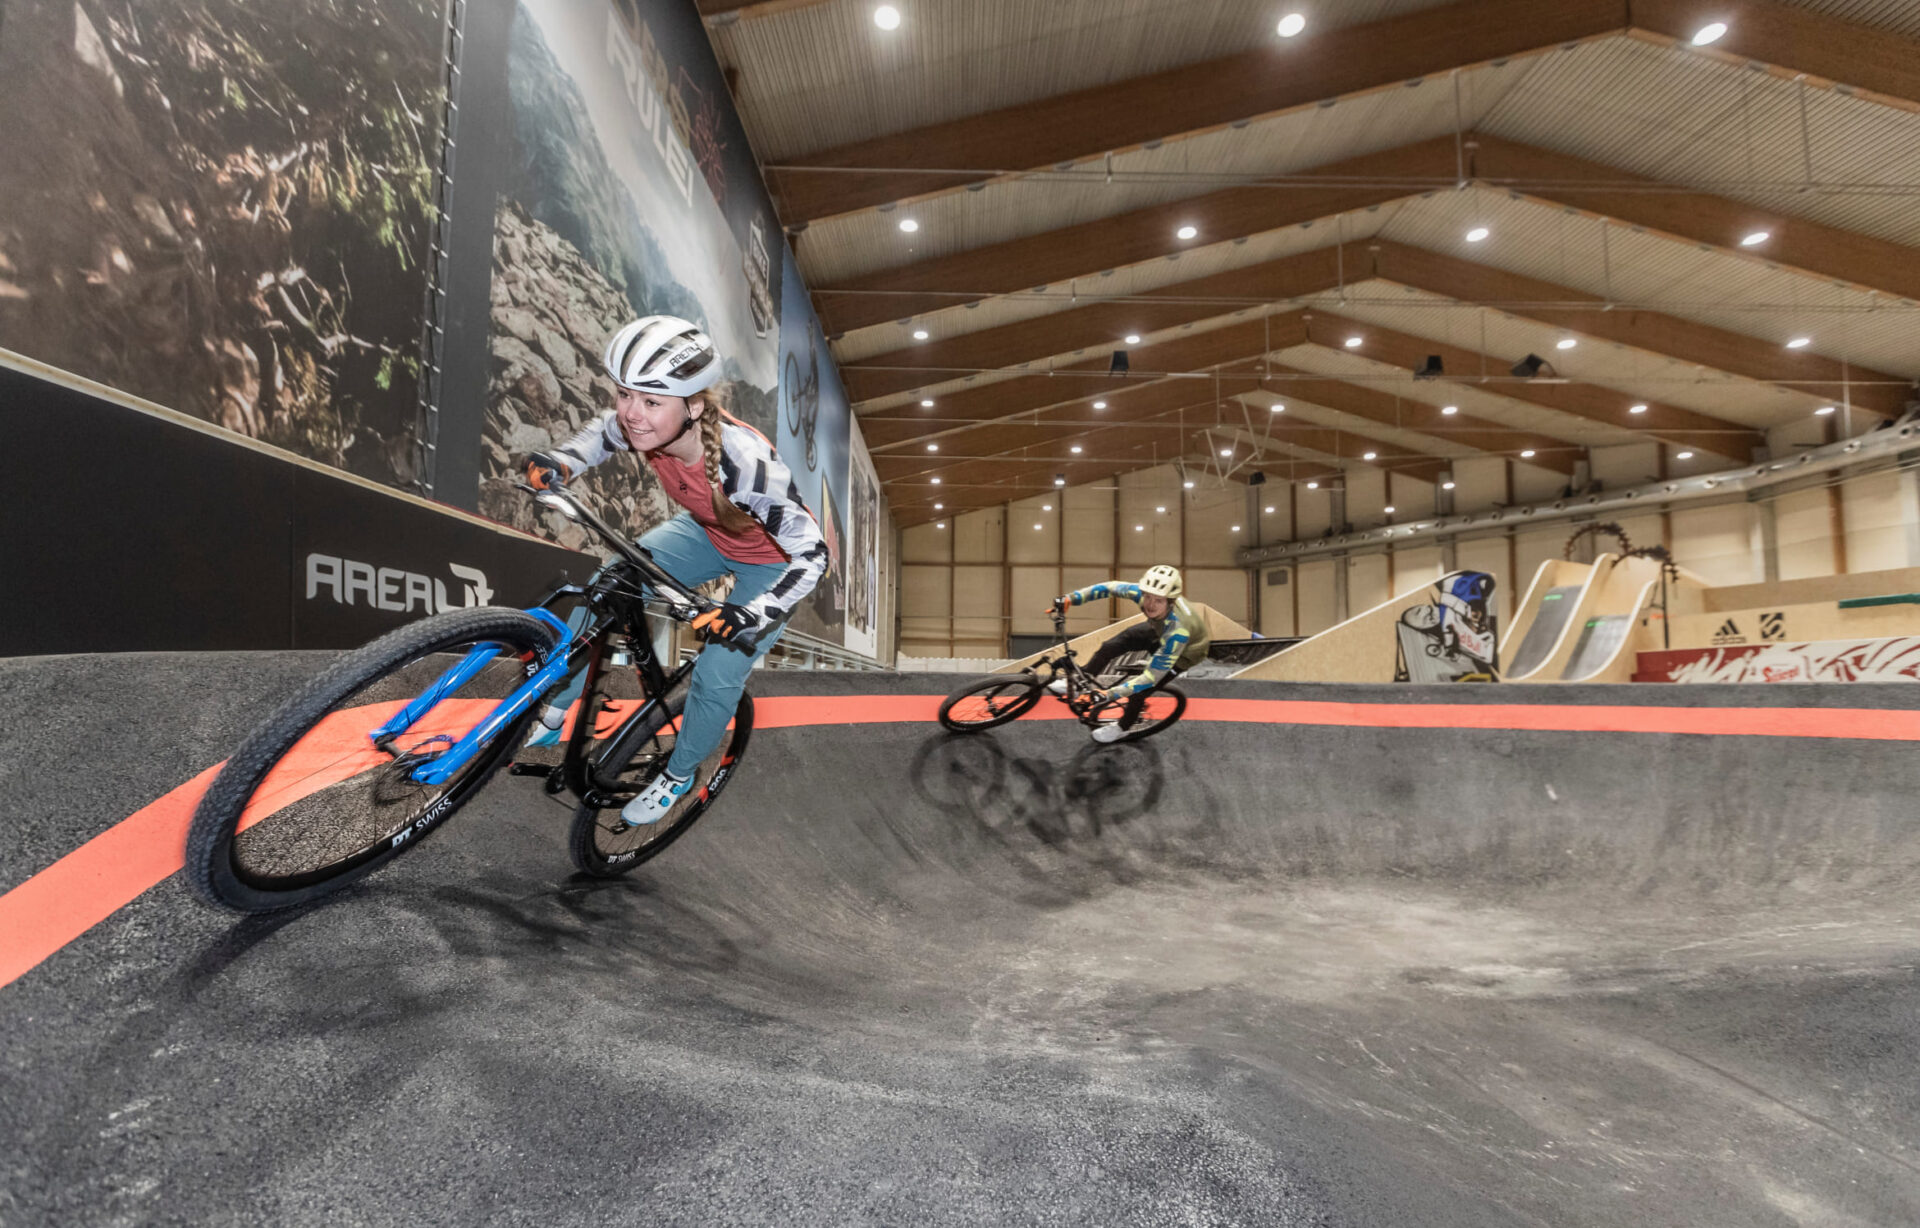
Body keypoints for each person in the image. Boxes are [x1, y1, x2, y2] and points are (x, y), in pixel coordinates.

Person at [522, 315, 829, 824]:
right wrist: (563, 462)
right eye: (625, 394)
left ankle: (679, 774)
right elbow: (601, 435)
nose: (631, 413)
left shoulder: (745, 466)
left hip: (772, 564)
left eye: (650, 401)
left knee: (717, 673)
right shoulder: (646, 425)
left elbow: (814, 554)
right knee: (610, 585)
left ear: (694, 407)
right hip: (708, 532)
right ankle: (556, 708)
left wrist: (752, 614)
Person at [1045, 565, 1211, 743]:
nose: (1150, 605)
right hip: (1158, 628)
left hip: (1185, 651)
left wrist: (1107, 694)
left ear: (1170, 602)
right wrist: (1071, 598)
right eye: (1148, 597)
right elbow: (1109, 588)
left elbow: (1149, 678)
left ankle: (1122, 728)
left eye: (1158, 601)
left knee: (1139, 692)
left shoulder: (1178, 632)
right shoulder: (1143, 594)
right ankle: (1080, 683)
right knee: (1110, 646)